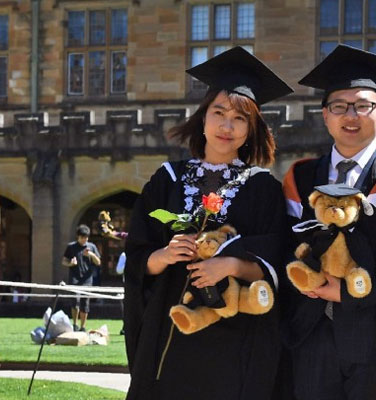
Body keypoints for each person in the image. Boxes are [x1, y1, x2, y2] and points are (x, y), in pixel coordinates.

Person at [123, 47, 293, 399]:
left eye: (240, 118)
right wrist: (165, 255)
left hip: (236, 337)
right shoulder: (166, 179)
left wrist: (230, 264)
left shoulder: (263, 187)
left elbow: (277, 263)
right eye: (218, 113)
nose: (226, 126)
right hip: (170, 334)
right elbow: (138, 257)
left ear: (251, 129)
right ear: (202, 118)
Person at [281, 44, 376, 400]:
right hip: (311, 335)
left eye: (363, 106)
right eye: (339, 106)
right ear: (325, 116)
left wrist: (353, 292)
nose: (350, 115)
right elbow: (285, 242)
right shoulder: (301, 176)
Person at [62, 224, 101, 332]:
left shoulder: (91, 247)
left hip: (87, 280)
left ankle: (83, 326)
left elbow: (98, 262)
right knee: (75, 302)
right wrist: (71, 263)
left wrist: (91, 255)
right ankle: (74, 324)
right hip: (75, 279)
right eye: (82, 237)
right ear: (77, 236)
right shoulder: (71, 247)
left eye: (86, 237)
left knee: (85, 303)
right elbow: (64, 261)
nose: (85, 240)